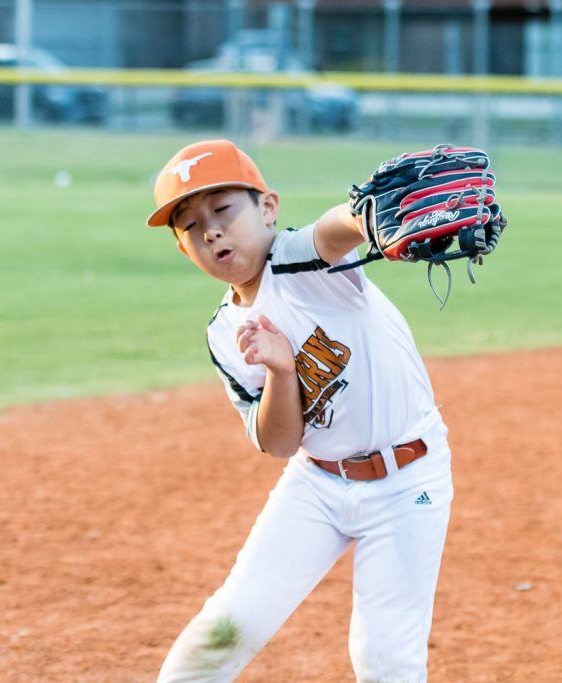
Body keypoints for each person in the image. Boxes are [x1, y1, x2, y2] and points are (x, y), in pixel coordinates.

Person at [147, 139, 454, 682]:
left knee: (386, 657)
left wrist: (366, 217)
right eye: (191, 226)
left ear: (268, 208)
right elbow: (282, 443)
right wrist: (281, 373)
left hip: (408, 480)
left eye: (223, 209)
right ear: (182, 250)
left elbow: (333, 231)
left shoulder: (297, 260)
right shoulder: (224, 333)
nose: (211, 230)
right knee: (227, 626)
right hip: (316, 484)